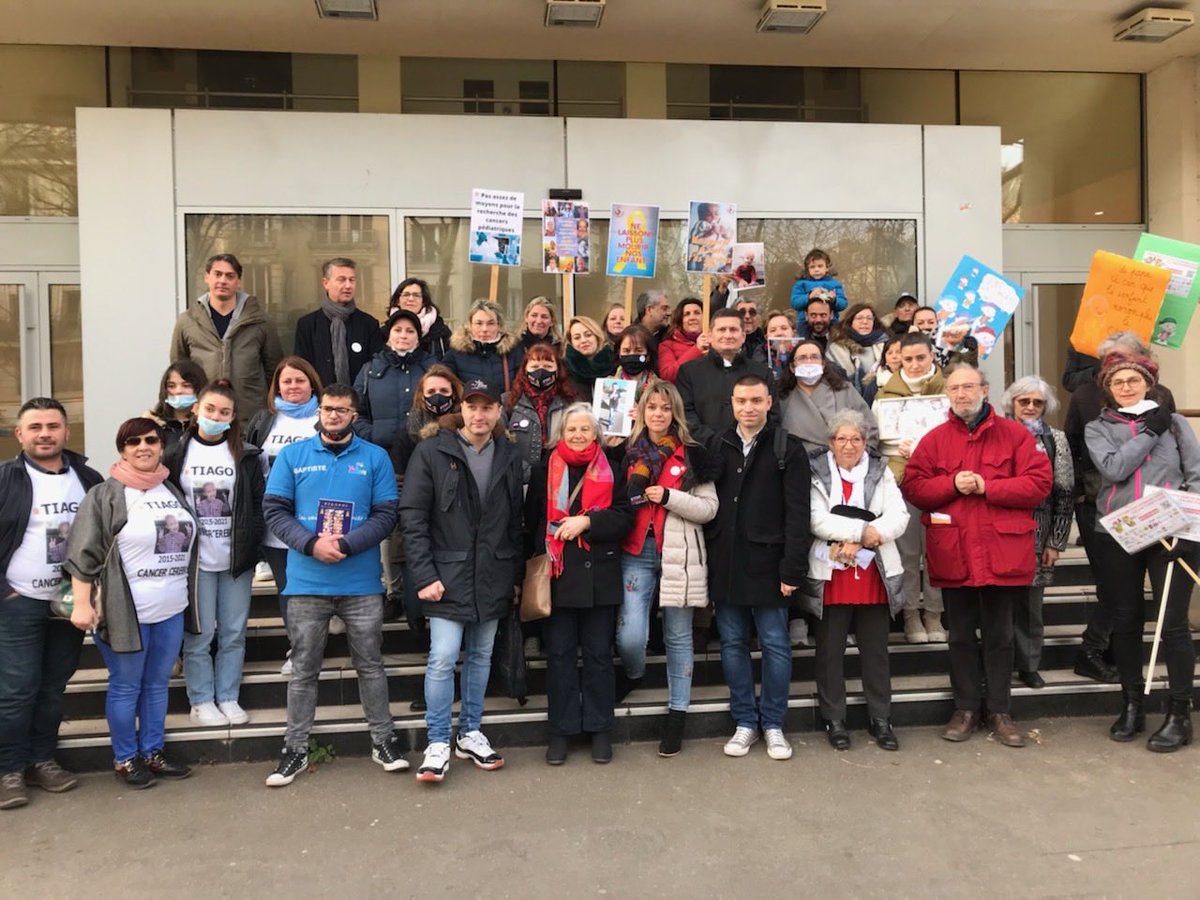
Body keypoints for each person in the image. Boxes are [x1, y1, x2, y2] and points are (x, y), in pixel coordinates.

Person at [902, 364, 1051, 749]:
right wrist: (951, 483)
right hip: (956, 552)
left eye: (968, 387)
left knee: (1001, 637)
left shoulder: (1016, 435)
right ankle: (966, 708)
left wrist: (988, 486)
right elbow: (914, 487)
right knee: (961, 637)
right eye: (955, 389)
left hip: (1002, 552)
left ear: (985, 389)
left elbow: (1039, 484)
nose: (962, 394)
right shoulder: (933, 440)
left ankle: (1000, 711)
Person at [261, 384, 401, 787]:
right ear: (318, 412)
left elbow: (386, 513)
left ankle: (383, 740)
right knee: (304, 669)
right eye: (327, 409)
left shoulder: (375, 457)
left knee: (370, 664)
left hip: (360, 583)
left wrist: (345, 543)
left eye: (341, 410)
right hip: (306, 582)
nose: (333, 416)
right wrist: (310, 543)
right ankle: (295, 749)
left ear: (354, 415)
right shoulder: (293, 456)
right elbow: (274, 509)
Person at [64, 417, 201, 787]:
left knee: (157, 683)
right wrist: (81, 604)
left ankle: (152, 751)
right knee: (127, 686)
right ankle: (125, 758)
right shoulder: (105, 495)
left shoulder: (169, 489)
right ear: (122, 449)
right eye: (133, 441)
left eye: (151, 440)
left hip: (171, 607)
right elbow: (83, 554)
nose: (143, 447)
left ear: (161, 445)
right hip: (125, 610)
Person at [400, 378, 524, 782]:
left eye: (487, 407)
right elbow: (413, 518)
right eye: (472, 406)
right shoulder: (432, 450)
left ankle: (470, 732)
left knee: (482, 657)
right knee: (442, 657)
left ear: (498, 412)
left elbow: (514, 523)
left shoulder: (509, 453)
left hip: (493, 573)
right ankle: (437, 740)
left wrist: (515, 575)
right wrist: (423, 575)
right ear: (460, 409)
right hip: (445, 576)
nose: (479, 414)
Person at [1085, 353, 1200, 751]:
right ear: (1109, 389)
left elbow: (1196, 475)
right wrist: (1149, 433)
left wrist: (1188, 524)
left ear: (1148, 383)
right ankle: (1132, 704)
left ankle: (1179, 713)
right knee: (1126, 621)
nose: (1127, 387)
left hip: (1174, 532)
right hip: (1119, 532)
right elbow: (1114, 469)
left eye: (1134, 380)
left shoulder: (1177, 422)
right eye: (1118, 383)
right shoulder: (1097, 428)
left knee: (1173, 624)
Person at [0, 398, 103, 809]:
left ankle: (43, 759)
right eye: (36, 426)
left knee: (53, 685)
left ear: (67, 432)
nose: (45, 433)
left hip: (68, 602)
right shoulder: (5, 479)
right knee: (16, 690)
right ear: (19, 434)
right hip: (18, 601)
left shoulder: (88, 477)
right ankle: (9, 770)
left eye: (53, 425)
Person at [706, 374, 810, 761]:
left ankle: (773, 724)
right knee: (732, 644)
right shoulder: (718, 444)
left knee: (775, 645)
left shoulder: (787, 447)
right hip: (727, 562)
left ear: (769, 403)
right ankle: (745, 722)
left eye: (756, 400)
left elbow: (799, 515)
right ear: (732, 403)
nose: (748, 407)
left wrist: (791, 570)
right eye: (741, 401)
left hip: (770, 565)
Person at [525, 403, 634, 765]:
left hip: (599, 576)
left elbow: (624, 518)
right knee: (559, 657)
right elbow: (530, 520)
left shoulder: (613, 468)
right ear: (561, 433)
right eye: (571, 429)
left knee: (600, 657)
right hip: (557, 576)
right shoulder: (545, 468)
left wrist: (588, 523)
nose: (578, 435)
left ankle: (600, 729)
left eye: (585, 429)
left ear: (596, 433)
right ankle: (562, 730)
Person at [1064, 331, 1174, 683]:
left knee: (1136, 595)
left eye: (1123, 358)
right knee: (1112, 588)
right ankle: (1094, 650)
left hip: (1155, 507)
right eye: (1108, 359)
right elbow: (1071, 445)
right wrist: (1080, 493)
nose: (1116, 367)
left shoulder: (1160, 396)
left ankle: (1110, 650)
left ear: (1142, 361)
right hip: (1102, 502)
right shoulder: (1085, 397)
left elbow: (1177, 452)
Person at [615, 381, 717, 757]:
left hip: (679, 554)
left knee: (677, 637)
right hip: (636, 551)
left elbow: (709, 508)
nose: (658, 414)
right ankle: (633, 672)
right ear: (641, 412)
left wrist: (671, 497)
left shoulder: (694, 455)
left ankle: (677, 715)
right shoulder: (627, 452)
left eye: (665, 408)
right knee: (631, 636)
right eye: (651, 407)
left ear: (676, 413)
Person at [802, 410, 909, 751]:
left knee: (876, 653)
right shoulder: (815, 471)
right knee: (829, 653)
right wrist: (864, 530)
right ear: (831, 443)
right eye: (842, 439)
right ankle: (835, 719)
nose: (849, 446)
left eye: (856, 439)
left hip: (873, 574)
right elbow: (816, 520)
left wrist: (867, 536)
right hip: (832, 575)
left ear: (866, 442)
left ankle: (881, 719)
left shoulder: (880, 471)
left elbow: (899, 515)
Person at [165, 380, 265, 727]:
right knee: (200, 633)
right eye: (210, 409)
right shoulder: (175, 454)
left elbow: (258, 506)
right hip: (195, 562)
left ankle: (228, 696)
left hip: (235, 559)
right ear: (196, 409)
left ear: (233, 416)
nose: (215, 416)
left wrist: (253, 546)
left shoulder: (247, 454)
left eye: (224, 412)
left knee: (234, 633)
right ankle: (201, 699)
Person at [246, 356, 323, 674]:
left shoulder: (324, 417)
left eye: (299, 380)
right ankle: (299, 650)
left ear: (312, 383)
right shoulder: (264, 420)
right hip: (275, 524)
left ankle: (313, 646)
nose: (293, 386)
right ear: (276, 386)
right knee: (288, 590)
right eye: (286, 381)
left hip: (317, 523)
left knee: (314, 591)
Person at [873, 333, 947, 643]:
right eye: (908, 359)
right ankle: (911, 615)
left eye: (921, 358)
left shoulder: (948, 391)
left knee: (938, 552)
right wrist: (896, 447)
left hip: (943, 482)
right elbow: (877, 441)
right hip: (902, 481)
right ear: (898, 359)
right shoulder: (884, 395)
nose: (915, 365)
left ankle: (934, 614)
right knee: (907, 552)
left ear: (932, 357)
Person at [1001, 376, 1073, 690]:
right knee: (996, 605)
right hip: (999, 533)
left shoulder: (1055, 439)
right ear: (1012, 404)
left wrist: (1056, 541)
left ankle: (1029, 664)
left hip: (1037, 533)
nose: (1030, 407)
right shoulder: (996, 433)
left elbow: (1066, 493)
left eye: (1037, 402)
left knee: (1031, 607)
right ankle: (997, 665)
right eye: (1024, 401)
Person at [170, 253, 282, 423]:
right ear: (207, 277)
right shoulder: (187, 321)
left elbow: (273, 371)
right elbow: (179, 369)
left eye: (230, 276)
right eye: (217, 274)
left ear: (238, 282)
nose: (223, 280)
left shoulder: (261, 321)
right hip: (203, 417)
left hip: (249, 418)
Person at [676, 307, 777, 446]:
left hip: (751, 455)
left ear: (743, 336)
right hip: (702, 454)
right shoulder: (689, 371)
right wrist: (714, 442)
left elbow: (772, 415)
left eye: (733, 330)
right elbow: (685, 415)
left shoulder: (762, 372)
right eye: (722, 330)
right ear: (710, 335)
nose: (728, 335)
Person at [779, 338, 878, 455]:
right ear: (792, 367)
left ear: (823, 364)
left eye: (814, 357)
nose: (809, 362)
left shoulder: (845, 390)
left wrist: (858, 456)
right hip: (803, 464)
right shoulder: (782, 399)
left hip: (847, 460)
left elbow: (869, 427)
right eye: (802, 358)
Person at [293, 257, 381, 389]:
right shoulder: (308, 325)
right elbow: (302, 368)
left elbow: (375, 369)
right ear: (325, 283)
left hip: (358, 404)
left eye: (352, 280)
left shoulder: (368, 324)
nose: (348, 285)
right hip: (320, 403)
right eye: (341, 280)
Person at [353, 309, 434, 450]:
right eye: (397, 330)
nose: (403, 336)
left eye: (410, 331)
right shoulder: (370, 369)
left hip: (423, 451)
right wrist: (371, 436)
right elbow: (355, 410)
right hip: (380, 451)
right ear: (389, 335)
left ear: (418, 337)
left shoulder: (432, 368)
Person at [506, 343, 577, 486]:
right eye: (534, 367)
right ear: (525, 370)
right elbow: (500, 442)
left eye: (548, 366)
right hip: (521, 481)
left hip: (561, 479)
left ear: (558, 370)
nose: (541, 371)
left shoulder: (571, 402)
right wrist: (527, 473)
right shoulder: (508, 402)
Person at [442, 299, 524, 393]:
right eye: (479, 323)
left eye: (491, 323)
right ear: (470, 325)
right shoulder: (455, 355)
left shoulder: (513, 352)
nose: (484, 329)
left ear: (499, 325)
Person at [144, 360, 209, 456]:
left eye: (186, 385)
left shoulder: (210, 425)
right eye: (171, 386)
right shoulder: (150, 426)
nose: (178, 391)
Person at [826, 302, 887, 404]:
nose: (865, 322)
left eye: (869, 318)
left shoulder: (886, 345)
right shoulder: (837, 348)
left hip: (880, 401)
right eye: (859, 318)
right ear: (850, 322)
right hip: (847, 401)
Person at [387, 277, 452, 361]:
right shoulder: (385, 331)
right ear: (397, 301)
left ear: (424, 301)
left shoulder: (440, 331)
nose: (411, 299)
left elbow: (448, 364)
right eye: (406, 294)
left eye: (416, 295)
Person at [656, 297, 710, 383]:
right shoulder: (667, 345)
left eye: (697, 313)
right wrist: (697, 349)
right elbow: (667, 376)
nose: (692, 317)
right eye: (687, 314)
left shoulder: (715, 343)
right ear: (680, 320)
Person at [564, 315, 615, 399]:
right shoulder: (564, 371)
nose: (583, 340)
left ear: (597, 337)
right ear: (571, 342)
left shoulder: (614, 365)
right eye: (577, 337)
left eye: (588, 335)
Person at [789, 248, 847, 317]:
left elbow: (843, 304)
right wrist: (809, 296)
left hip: (830, 321)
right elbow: (795, 303)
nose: (816, 270)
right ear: (807, 269)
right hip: (806, 322)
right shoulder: (801, 284)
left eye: (820, 266)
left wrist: (834, 300)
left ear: (827, 268)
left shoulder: (835, 284)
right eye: (812, 267)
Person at [611, 325, 657, 402]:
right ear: (619, 353)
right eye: (626, 351)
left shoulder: (659, 387)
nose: (631, 355)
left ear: (648, 355)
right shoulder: (609, 385)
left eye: (638, 350)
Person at [735, 296, 768, 366]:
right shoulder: (727, 341)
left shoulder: (767, 342)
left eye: (752, 312)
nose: (747, 316)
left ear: (759, 317)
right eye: (742, 312)